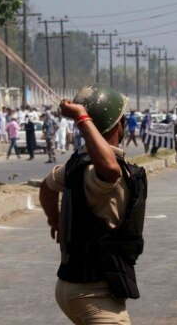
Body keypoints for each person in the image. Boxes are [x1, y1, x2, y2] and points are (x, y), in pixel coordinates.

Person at [39, 86, 145, 324]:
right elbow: (109, 169)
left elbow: (46, 187)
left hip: (71, 287)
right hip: (95, 294)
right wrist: (82, 118)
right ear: (118, 126)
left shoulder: (77, 165)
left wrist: (53, 219)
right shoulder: (101, 171)